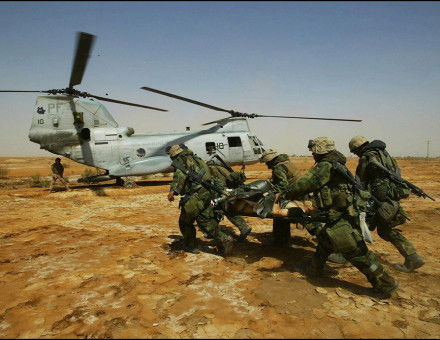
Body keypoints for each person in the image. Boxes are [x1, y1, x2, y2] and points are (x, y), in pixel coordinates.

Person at [281, 137, 399, 298]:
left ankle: (385, 283)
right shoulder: (336, 163)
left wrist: (284, 194)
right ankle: (314, 268)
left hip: (341, 216)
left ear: (319, 151)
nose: (312, 155)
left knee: (357, 253)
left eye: (313, 151)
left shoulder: (325, 166)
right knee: (324, 240)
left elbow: (304, 184)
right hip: (337, 214)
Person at [349, 136, 425, 272]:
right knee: (385, 230)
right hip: (390, 198)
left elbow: (360, 183)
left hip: (378, 200)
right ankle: (413, 257)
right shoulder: (385, 155)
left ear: (359, 148)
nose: (356, 155)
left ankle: (345, 254)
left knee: (356, 222)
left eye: (355, 152)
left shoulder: (367, 158)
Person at [166, 144, 234, 256]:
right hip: (207, 194)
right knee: (205, 221)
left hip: (196, 196)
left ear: (175, 155)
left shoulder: (182, 161)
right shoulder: (198, 159)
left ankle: (190, 246)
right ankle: (224, 238)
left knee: (185, 222)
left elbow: (179, 176)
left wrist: (172, 191)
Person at [260, 149, 301, 247]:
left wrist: (270, 193)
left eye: (267, 162)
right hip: (300, 193)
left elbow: (283, 186)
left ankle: (280, 241)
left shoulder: (278, 168)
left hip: (295, 196)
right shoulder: (287, 162)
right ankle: (283, 239)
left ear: (270, 160)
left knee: (277, 212)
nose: (266, 165)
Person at [206, 159, 252, 241]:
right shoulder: (222, 168)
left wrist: (219, 196)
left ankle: (243, 227)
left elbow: (219, 183)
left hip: (224, 192)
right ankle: (211, 230)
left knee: (221, 209)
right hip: (230, 191)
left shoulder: (212, 169)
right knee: (219, 209)